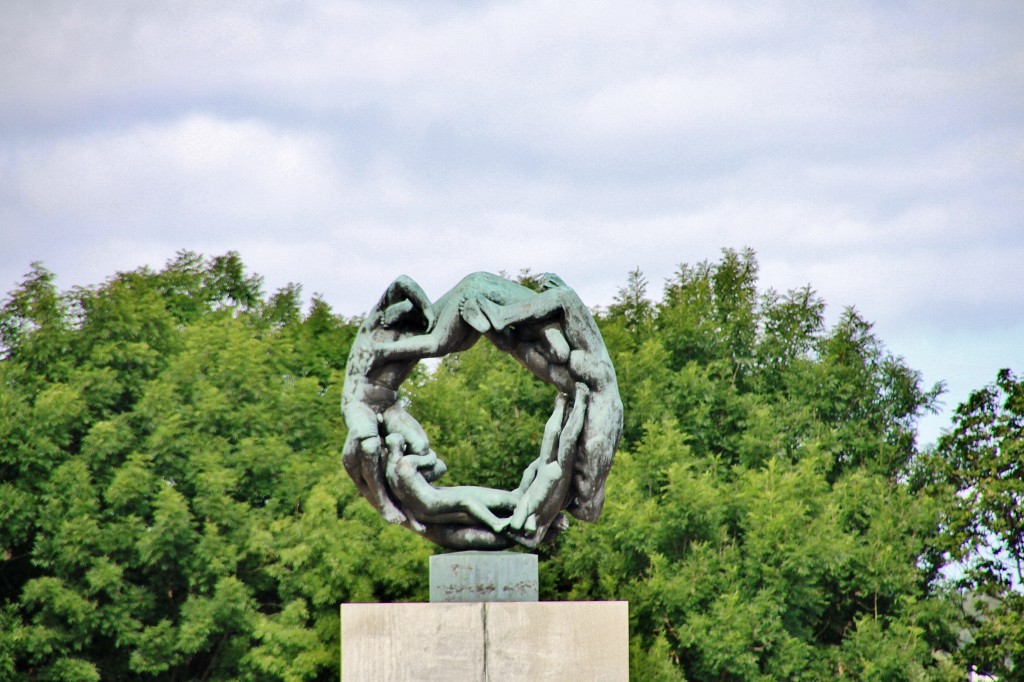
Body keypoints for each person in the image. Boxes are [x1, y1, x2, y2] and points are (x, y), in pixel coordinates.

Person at [473, 273, 623, 521]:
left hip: (592, 391)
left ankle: (500, 319)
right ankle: (500, 321)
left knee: (562, 303)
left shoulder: (579, 483)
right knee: (552, 325)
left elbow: (563, 444)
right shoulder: (578, 482)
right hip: (591, 392)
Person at [341, 275, 443, 525]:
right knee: (369, 444)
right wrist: (428, 309)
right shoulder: (375, 323)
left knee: (422, 448)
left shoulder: (411, 336)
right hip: (358, 401)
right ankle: (384, 503)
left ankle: (409, 488)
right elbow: (402, 282)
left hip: (389, 406)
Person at [384, 433, 520, 534]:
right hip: (430, 500)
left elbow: (401, 500)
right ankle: (496, 523)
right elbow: (438, 465)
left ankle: (494, 519)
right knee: (465, 501)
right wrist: (426, 451)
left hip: (418, 508)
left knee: (463, 512)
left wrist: (414, 521)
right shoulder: (406, 462)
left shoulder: (389, 471)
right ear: (403, 446)